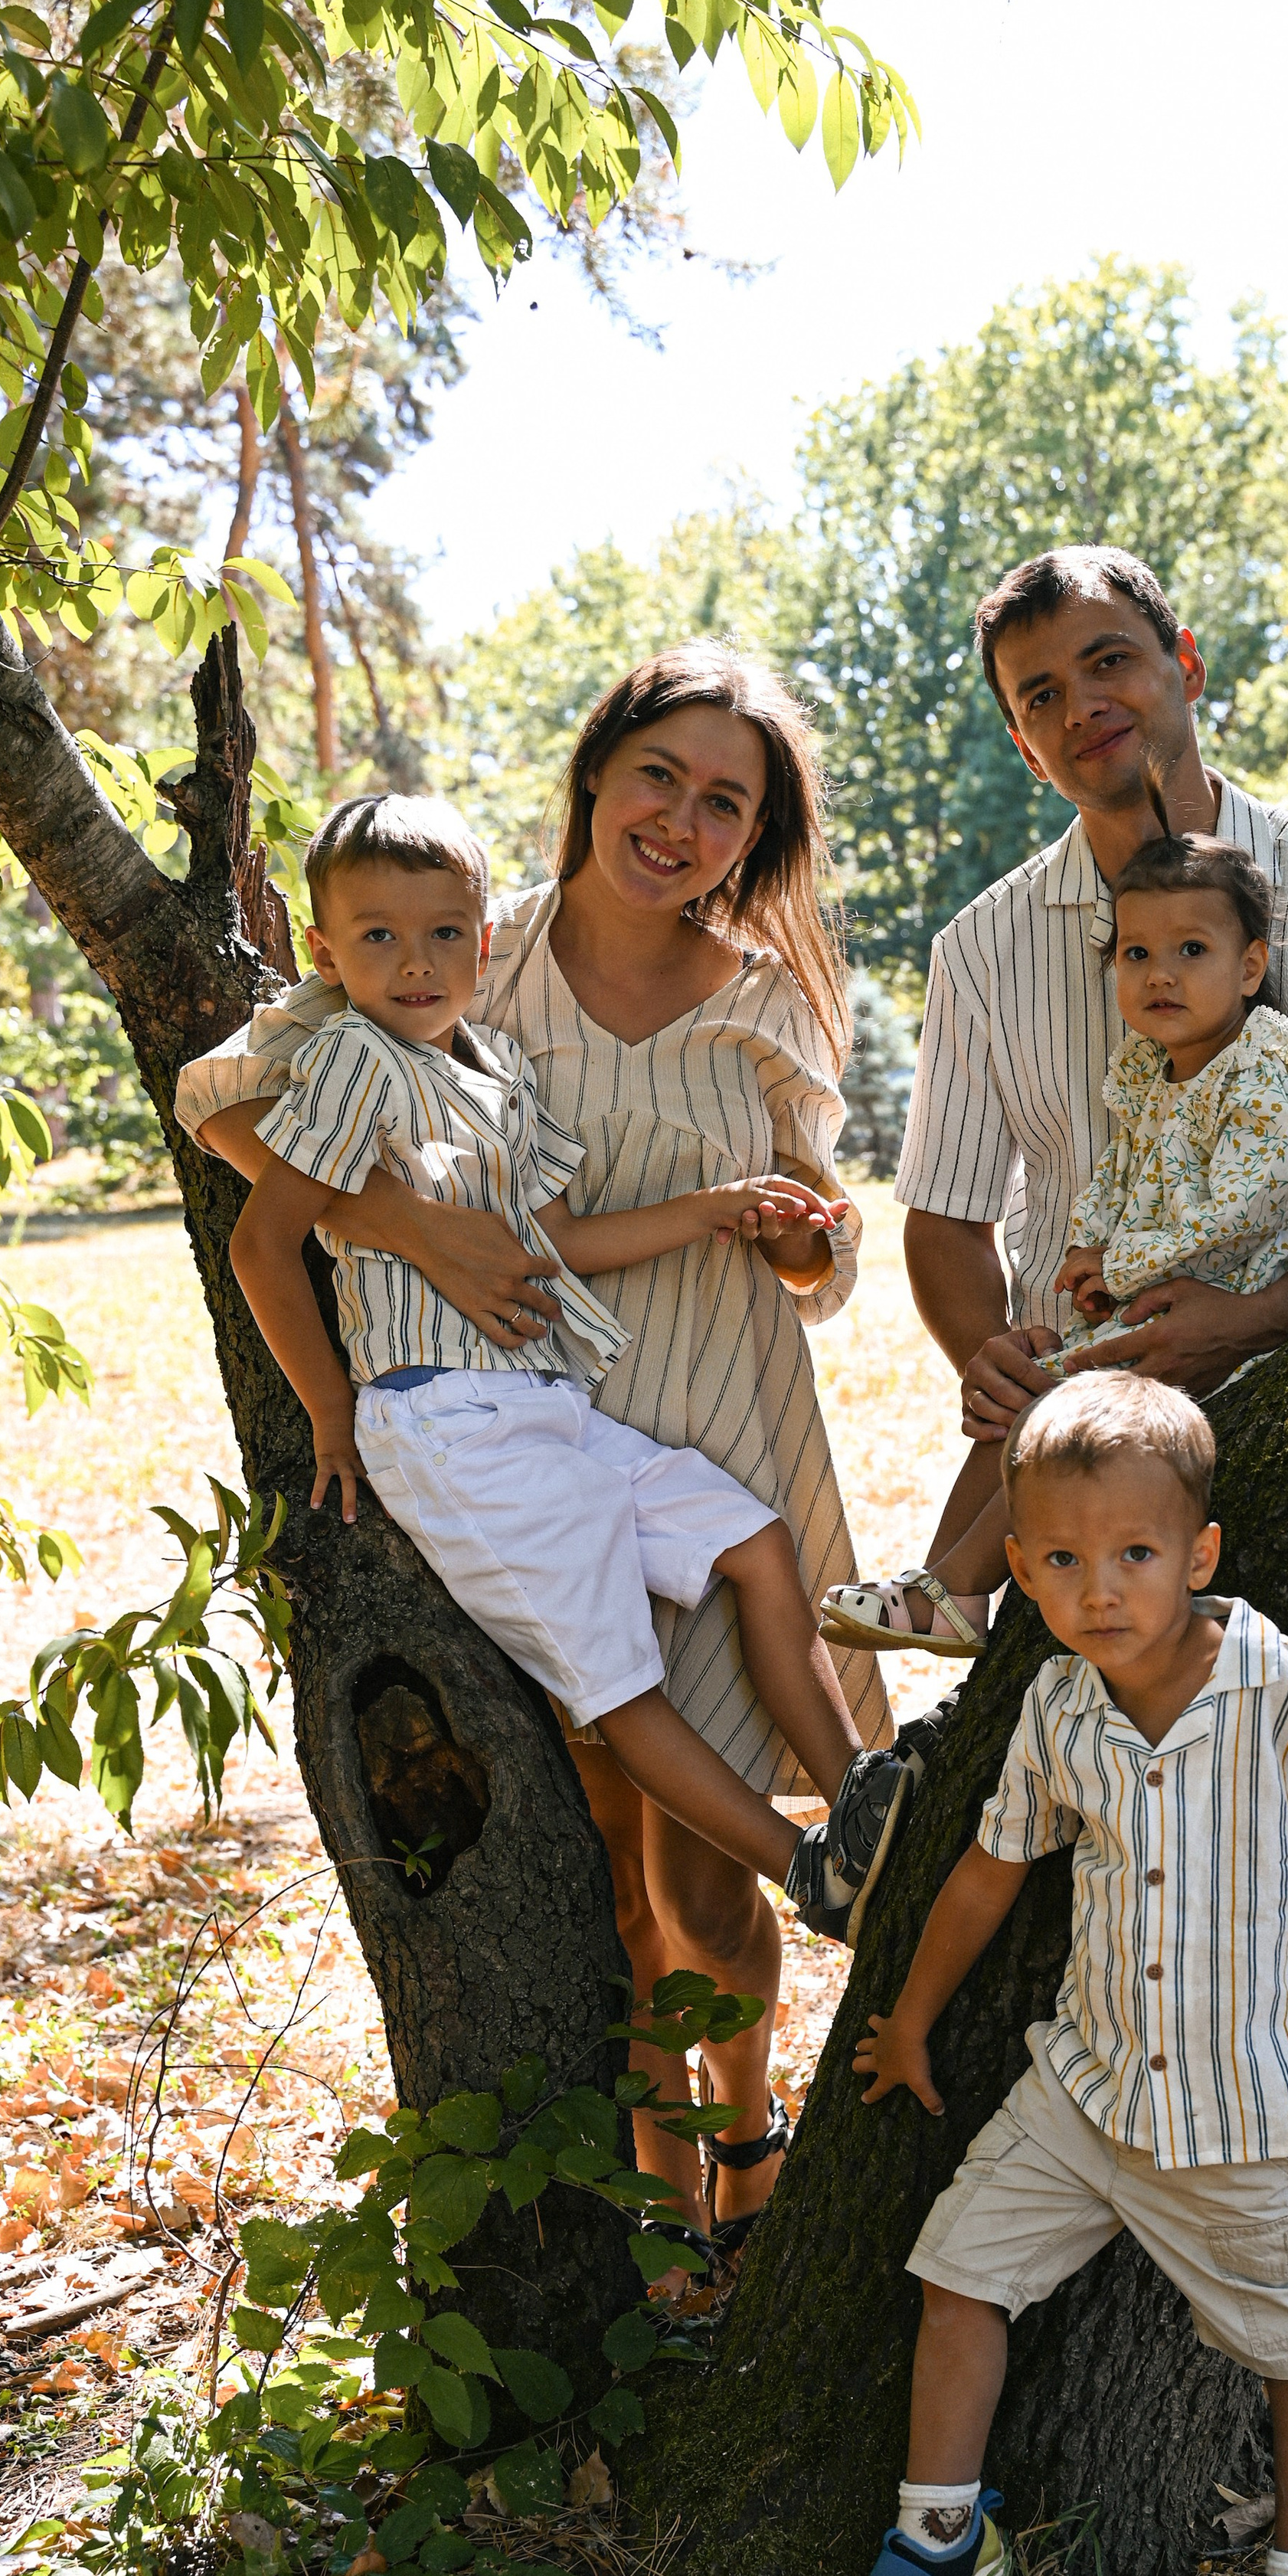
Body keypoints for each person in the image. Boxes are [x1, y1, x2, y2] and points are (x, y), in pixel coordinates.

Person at [175, 647, 900, 2262]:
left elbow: (824, 1255)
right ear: (595, 772)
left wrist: (797, 1235)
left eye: (727, 801)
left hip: (712, 1417)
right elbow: (222, 1103)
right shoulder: (456, 956)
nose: (682, 818)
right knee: (613, 1897)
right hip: (509, 1438)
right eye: (660, 774)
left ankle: (757, 2147)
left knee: (709, 1892)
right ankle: (660, 2225)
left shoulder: (766, 996)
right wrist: (407, 1227)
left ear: (750, 836)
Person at [877, 543, 1288, 2319]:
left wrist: (1252, 1325)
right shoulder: (987, 947)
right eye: (1036, 694)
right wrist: (994, 1368)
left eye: (1107, 662)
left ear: (1180, 660)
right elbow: (941, 1214)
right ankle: (1031, 2262)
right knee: (1057, 1848)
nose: (1079, 709)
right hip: (1090, 1478)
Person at [819, 1373, 1288, 2576]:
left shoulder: (1286, 1692)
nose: (1099, 1586)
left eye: (1135, 1553)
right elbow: (993, 1869)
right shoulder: (1058, 1705)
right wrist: (914, 2018)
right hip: (1086, 2085)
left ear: (1199, 1553)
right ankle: (941, 2536)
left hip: (1234, 2117)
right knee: (957, 2270)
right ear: (1019, 1568)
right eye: (1062, 1558)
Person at [226, 790, 878, 1923]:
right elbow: (261, 1243)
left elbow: (560, 1244)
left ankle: (864, 1799)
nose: (415, 963)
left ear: (484, 943)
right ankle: (811, 1874)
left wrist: (712, 1206)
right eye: (376, 936)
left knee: (757, 1543)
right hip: (445, 1426)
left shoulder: (495, 1072)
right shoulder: (351, 1061)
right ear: (325, 952)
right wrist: (331, 1415)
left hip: (552, 1410)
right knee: (625, 1688)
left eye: (442, 935)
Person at [821, 786, 1288, 1658]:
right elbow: (1120, 1174)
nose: (1161, 974)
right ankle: (939, 1583)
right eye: (1136, 953)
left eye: (1191, 950)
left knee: (1064, 1409)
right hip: (1157, 1305)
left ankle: (955, 1590)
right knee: (1021, 1409)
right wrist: (1087, 1245)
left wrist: (1127, 1260)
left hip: (1233, 1322)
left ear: (1249, 968)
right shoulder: (1155, 1073)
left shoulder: (1261, 1079)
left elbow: (1257, 1197)